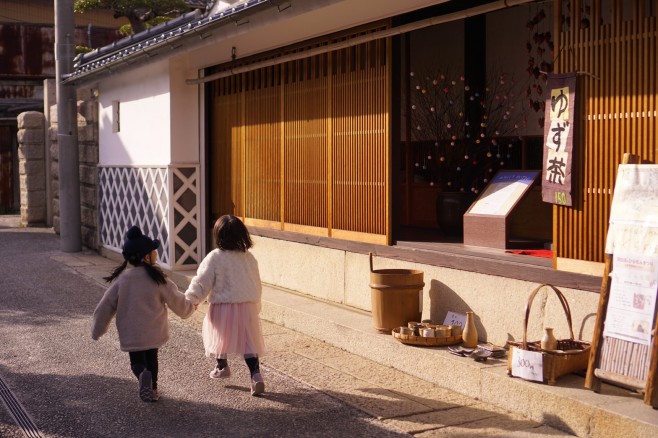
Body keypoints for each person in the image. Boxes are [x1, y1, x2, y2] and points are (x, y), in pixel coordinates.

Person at [91, 225, 196, 402]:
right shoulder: (158, 279)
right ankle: (153, 390)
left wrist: (97, 330)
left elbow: (105, 306)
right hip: (154, 331)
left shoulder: (122, 280)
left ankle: (141, 375)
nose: (156, 254)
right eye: (154, 252)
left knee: (137, 362)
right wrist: (189, 308)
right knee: (152, 358)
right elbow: (176, 299)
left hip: (132, 332)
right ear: (146, 257)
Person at [185, 214, 266, 396]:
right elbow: (256, 283)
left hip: (223, 306)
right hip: (247, 306)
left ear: (218, 236)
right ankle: (256, 375)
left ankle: (222, 366)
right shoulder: (249, 258)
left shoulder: (215, 257)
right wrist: (256, 305)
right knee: (249, 343)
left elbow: (201, 282)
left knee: (219, 335)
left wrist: (191, 299)